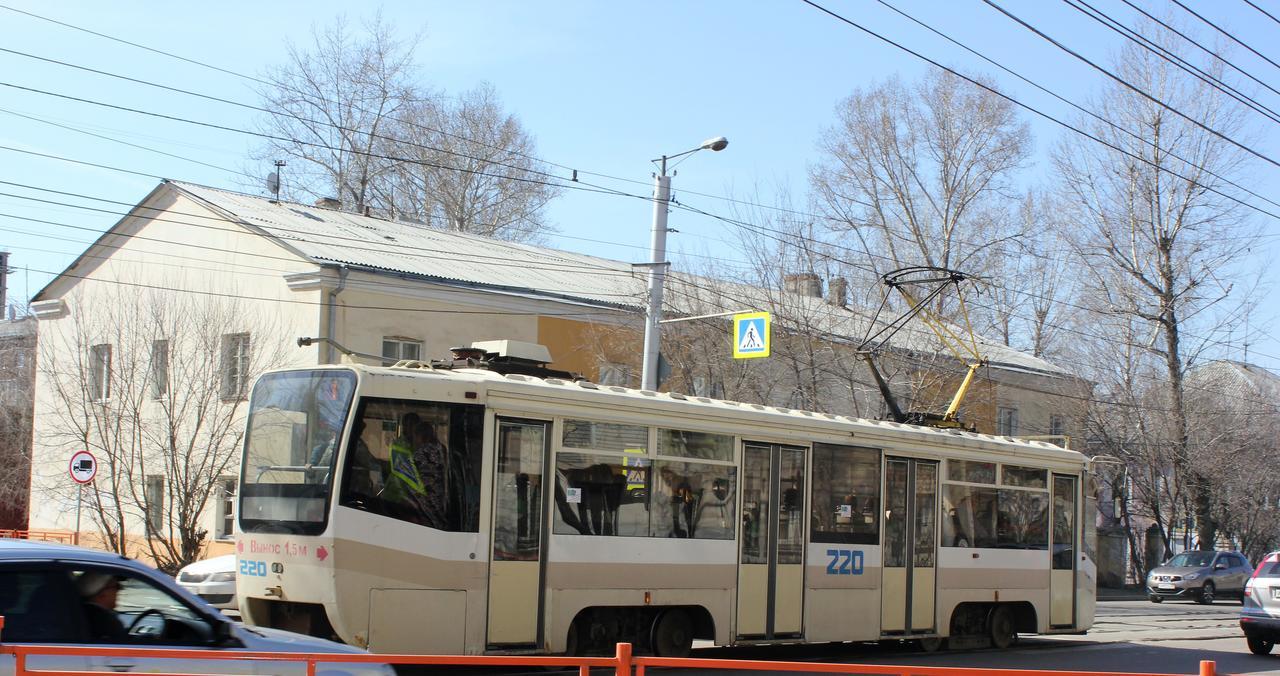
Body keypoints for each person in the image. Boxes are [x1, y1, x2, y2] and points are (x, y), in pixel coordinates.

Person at [78, 572, 127, 641]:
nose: (119, 589)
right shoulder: (108, 623)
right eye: (117, 586)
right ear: (102, 593)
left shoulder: (79, 613)